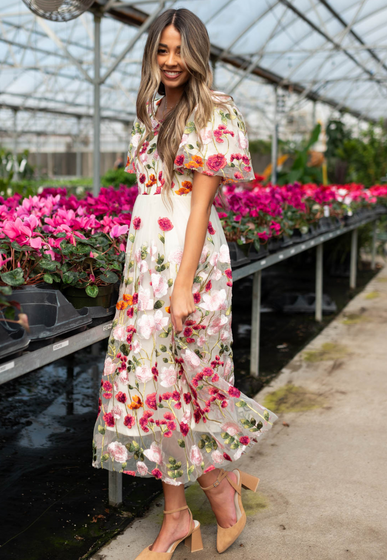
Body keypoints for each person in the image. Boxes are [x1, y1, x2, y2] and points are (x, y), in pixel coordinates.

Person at [92, 8, 278, 558]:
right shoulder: (150, 110)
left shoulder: (215, 112)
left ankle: (216, 488)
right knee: (152, 384)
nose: (171, 61)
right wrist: (148, 276)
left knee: (191, 377)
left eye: (180, 51)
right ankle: (183, 512)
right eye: (162, 50)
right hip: (144, 260)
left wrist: (181, 286)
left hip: (187, 260)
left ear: (198, 54)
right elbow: (149, 194)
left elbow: (198, 206)